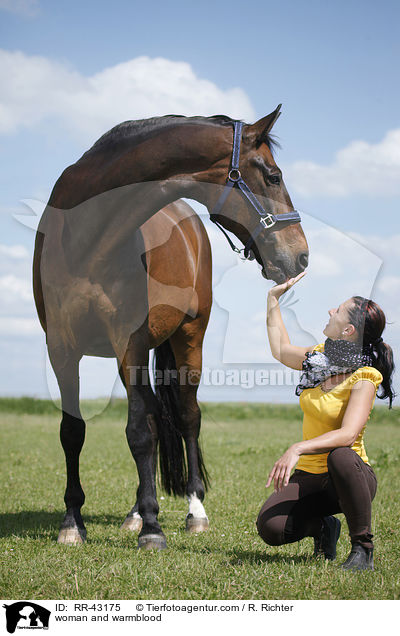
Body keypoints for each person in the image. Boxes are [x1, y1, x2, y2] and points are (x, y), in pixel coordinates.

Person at [256, 273, 395, 571]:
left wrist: (297, 448)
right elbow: (281, 350)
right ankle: (324, 528)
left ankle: (362, 549)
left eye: (337, 310)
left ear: (347, 329)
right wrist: (272, 300)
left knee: (342, 455)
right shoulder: (319, 358)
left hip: (348, 477)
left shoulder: (365, 377)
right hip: (309, 476)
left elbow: (347, 434)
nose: (330, 311)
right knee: (271, 528)